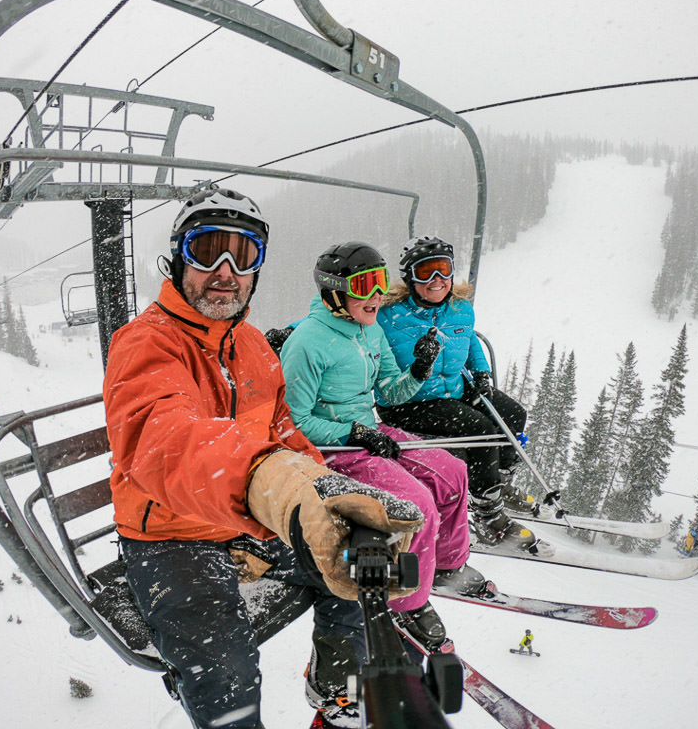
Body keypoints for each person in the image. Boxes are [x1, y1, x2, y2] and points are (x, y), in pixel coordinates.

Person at [103, 188, 425, 729]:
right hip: (170, 536)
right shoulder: (146, 343)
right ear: (179, 257)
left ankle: (335, 685)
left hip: (248, 523)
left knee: (349, 572)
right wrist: (275, 489)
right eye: (208, 252)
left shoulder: (252, 345)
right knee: (226, 671)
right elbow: (163, 441)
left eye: (244, 255)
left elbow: (284, 434)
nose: (225, 271)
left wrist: (327, 496)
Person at [278, 241, 488, 652]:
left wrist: (419, 369)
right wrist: (353, 434)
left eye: (381, 282)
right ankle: (407, 604)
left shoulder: (369, 328)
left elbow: (391, 393)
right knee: (419, 504)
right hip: (336, 450)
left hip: (372, 432)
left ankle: (445, 563)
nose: (376, 295)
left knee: (452, 473)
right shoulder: (308, 343)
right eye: (364, 284)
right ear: (336, 292)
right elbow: (294, 423)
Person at [376, 235, 550, 554]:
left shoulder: (460, 310)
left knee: (513, 415)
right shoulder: (388, 316)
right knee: (481, 431)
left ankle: (496, 481)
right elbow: (346, 318)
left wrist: (481, 371)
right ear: (409, 277)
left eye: (443, 270)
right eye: (425, 272)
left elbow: (469, 342)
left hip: (453, 391)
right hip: (409, 401)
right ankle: (488, 517)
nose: (437, 280)